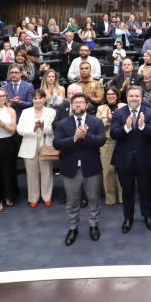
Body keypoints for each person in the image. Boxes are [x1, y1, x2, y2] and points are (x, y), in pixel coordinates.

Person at [53, 92, 107, 245]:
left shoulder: (96, 122)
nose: (77, 105)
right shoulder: (63, 124)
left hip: (92, 168)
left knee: (94, 199)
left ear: (87, 105)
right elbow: (57, 143)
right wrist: (75, 139)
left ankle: (93, 225)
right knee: (72, 201)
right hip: (70, 169)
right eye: (75, 102)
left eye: (81, 102)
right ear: (71, 105)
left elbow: (101, 141)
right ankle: (72, 228)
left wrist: (86, 136)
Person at [110, 85, 151, 232]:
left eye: (137, 96)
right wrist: (126, 128)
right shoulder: (119, 113)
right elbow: (113, 134)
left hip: (145, 159)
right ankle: (128, 218)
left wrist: (143, 126)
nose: (134, 98)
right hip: (124, 160)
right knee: (127, 191)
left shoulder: (149, 112)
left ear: (141, 97)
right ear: (127, 97)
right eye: (131, 96)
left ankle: (147, 215)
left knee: (145, 190)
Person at [17, 89, 56, 208]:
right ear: (32, 100)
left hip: (46, 144)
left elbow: (54, 130)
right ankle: (33, 197)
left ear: (44, 99)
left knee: (47, 173)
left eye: (40, 98)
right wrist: (33, 129)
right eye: (35, 98)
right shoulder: (25, 112)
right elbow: (19, 129)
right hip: (29, 144)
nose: (38, 100)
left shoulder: (51, 112)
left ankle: (47, 196)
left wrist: (44, 127)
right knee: (31, 173)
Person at [95, 85, 125, 206]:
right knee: (108, 172)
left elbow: (128, 122)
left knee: (123, 171)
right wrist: (108, 120)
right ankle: (110, 198)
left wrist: (116, 119)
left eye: (113, 94)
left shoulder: (124, 107)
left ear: (117, 95)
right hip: (106, 143)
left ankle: (123, 197)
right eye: (108, 94)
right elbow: (97, 125)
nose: (111, 96)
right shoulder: (101, 108)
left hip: (122, 142)